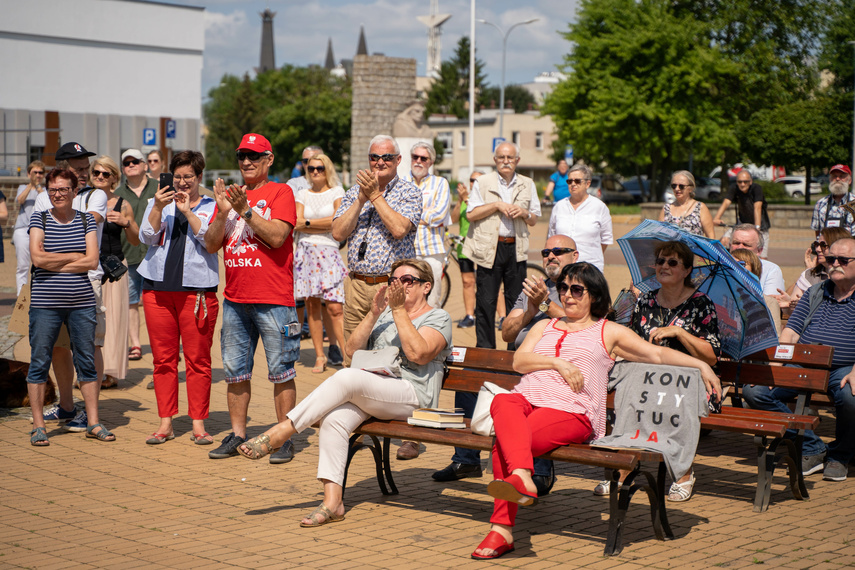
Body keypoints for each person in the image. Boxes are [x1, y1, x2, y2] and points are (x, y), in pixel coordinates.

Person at [471, 262, 721, 560]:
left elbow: (655, 353)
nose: (567, 295)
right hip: (525, 401)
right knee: (502, 402)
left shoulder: (609, 331)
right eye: (563, 288)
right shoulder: (544, 325)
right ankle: (523, 477)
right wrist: (558, 363)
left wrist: (702, 364)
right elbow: (518, 363)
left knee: (506, 442)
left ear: (594, 295)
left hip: (571, 412)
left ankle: (501, 529)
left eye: (577, 289)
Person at [234, 259, 452, 527]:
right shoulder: (384, 315)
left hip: (413, 395)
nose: (399, 285)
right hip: (375, 390)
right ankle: (333, 502)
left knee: (346, 376)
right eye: (394, 280)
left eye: (407, 280)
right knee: (335, 419)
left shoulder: (438, 317)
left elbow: (419, 354)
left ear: (426, 286)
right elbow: (351, 350)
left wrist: (397, 312)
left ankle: (284, 430)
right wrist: (373, 314)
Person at [433, 235, 580, 491]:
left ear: (574, 256)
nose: (551, 256)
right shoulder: (534, 290)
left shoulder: (580, 288)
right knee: (469, 378)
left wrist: (545, 304)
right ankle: (466, 460)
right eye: (546, 252)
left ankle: (540, 473)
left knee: (535, 398)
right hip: (517, 366)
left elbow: (579, 326)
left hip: (552, 371)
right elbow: (508, 334)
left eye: (559, 251)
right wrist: (529, 312)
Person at [594, 241, 720, 502]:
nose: (664, 266)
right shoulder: (647, 300)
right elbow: (634, 345)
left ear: (686, 270)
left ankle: (683, 472)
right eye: (660, 261)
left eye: (672, 262)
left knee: (671, 404)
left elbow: (712, 356)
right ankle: (624, 469)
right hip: (647, 378)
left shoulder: (701, 304)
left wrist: (680, 333)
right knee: (628, 399)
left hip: (687, 382)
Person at [204, 133, 299, 464]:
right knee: (235, 372)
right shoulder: (232, 197)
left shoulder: (281, 191)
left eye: (254, 156)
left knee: (282, 371)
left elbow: (277, 236)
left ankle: (283, 437)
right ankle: (238, 435)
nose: (246, 161)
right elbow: (211, 244)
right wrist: (221, 212)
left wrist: (245, 211)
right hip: (235, 300)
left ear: (269, 160)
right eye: (242, 155)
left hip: (274, 299)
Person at [742, 237, 855, 482]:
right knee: (755, 391)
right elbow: (791, 332)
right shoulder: (816, 291)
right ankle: (812, 446)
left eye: (843, 260)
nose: (835, 264)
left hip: (843, 368)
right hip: (802, 364)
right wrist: (774, 367)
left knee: (850, 396)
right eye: (831, 258)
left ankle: (840, 456)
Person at [27, 168, 115, 446]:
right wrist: (73, 256)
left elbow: (91, 261)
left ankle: (93, 422)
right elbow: (37, 259)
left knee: (86, 362)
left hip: (81, 302)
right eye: (53, 189)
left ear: (75, 191)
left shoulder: (87, 220)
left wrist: (55, 259)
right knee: (39, 362)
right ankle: (39, 426)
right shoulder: (38, 218)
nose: (58, 194)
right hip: (45, 304)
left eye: (64, 189)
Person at [139, 150, 220, 445]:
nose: (183, 183)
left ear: (199, 177)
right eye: (178, 177)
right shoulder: (156, 201)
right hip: (156, 290)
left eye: (189, 177)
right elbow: (146, 237)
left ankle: (198, 424)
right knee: (163, 360)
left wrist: (187, 211)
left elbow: (211, 241)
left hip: (196, 292)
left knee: (198, 360)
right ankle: (166, 423)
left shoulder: (211, 206)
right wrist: (159, 208)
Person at [331, 135, 422, 354]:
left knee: (387, 355)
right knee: (353, 355)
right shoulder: (354, 192)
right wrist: (360, 200)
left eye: (386, 157)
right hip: (356, 287)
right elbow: (337, 232)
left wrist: (374, 196)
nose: (380, 162)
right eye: (374, 157)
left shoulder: (410, 192)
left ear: (398, 160)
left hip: (392, 287)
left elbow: (399, 229)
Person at [463, 141, 540, 349]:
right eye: (501, 157)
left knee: (516, 302)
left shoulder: (527, 183)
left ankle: (514, 350)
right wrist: (496, 205)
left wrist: (524, 213)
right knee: (485, 302)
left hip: (516, 249)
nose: (506, 161)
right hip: (489, 248)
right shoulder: (483, 182)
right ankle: (485, 350)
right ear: (495, 160)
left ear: (517, 160)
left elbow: (534, 218)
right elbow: (470, 215)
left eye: (510, 157)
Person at [293, 153, 347, 374]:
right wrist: (318, 224)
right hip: (306, 253)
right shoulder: (302, 193)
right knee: (312, 306)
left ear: (328, 170)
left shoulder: (337, 192)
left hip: (329, 253)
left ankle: (346, 356)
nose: (315, 171)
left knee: (335, 307)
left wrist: (307, 223)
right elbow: (295, 223)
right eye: (311, 168)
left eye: (320, 168)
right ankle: (319, 355)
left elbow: (337, 222)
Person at [91, 156, 139, 389]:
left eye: (105, 174)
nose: (100, 177)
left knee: (113, 321)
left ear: (114, 178)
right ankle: (89, 370)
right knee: (87, 321)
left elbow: (136, 240)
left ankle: (109, 372)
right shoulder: (82, 200)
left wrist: (125, 222)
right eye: (96, 173)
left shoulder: (123, 204)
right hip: (88, 268)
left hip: (115, 268)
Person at [114, 148, 159, 367]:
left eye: (135, 161)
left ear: (144, 165)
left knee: (157, 301)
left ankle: (159, 343)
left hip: (156, 254)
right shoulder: (117, 193)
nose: (130, 165)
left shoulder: (158, 187)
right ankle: (135, 344)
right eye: (126, 163)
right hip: (129, 254)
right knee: (132, 301)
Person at [405, 141, 451, 309]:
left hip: (433, 251)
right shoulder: (400, 182)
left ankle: (431, 334)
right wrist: (426, 213)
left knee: (432, 301)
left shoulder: (441, 183)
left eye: (423, 158)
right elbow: (395, 214)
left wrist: (410, 215)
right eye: (415, 157)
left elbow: (439, 216)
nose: (418, 161)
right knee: (406, 299)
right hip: (406, 250)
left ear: (431, 162)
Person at [547, 163, 613, 272]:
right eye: (569, 181)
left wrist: (591, 255)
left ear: (587, 184)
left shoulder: (599, 207)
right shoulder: (559, 207)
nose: (573, 184)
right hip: (563, 269)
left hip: (590, 268)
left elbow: (605, 239)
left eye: (577, 181)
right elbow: (552, 237)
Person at [773, 227, 851, 308]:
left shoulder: (850, 277)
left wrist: (809, 304)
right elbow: (791, 309)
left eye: (823, 245)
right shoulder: (810, 275)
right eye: (817, 245)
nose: (817, 249)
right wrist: (790, 303)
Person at [713, 170, 770, 257]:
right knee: (723, 241)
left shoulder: (756, 189)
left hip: (760, 226)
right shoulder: (735, 188)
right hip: (742, 224)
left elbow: (757, 207)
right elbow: (726, 202)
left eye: (745, 182)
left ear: (750, 182)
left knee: (761, 256)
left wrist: (757, 228)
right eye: (740, 182)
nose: (742, 184)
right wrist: (717, 218)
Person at [452, 171, 481, 328]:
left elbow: (476, 215)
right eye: (471, 180)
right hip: (464, 246)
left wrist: (465, 199)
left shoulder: (485, 198)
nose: (473, 183)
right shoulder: (464, 199)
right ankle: (470, 315)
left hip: (482, 246)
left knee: (489, 282)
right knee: (467, 282)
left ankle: (503, 316)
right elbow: (454, 219)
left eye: (477, 180)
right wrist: (459, 201)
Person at [13, 160, 46, 295]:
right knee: (23, 265)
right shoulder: (22, 187)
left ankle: (38, 295)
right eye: (35, 172)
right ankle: (21, 297)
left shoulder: (45, 191)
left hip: (40, 231)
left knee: (40, 264)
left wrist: (38, 186)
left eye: (40, 172)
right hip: (22, 229)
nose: (38, 175)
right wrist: (30, 185)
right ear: (29, 174)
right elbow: (20, 200)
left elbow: (46, 204)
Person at [729, 224, 784, 295]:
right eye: (736, 243)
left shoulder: (771, 270)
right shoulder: (720, 267)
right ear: (730, 246)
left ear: (759, 251)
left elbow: (771, 303)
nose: (740, 247)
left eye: (746, 244)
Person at [659, 171, 714, 238]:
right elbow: (659, 236)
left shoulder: (700, 208)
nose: (677, 189)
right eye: (674, 186)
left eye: (681, 186)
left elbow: (711, 238)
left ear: (690, 188)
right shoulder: (666, 209)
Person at [810, 164, 854, 234]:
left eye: (842, 176)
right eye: (834, 176)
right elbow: (818, 234)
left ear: (849, 181)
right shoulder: (820, 204)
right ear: (830, 179)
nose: (837, 179)